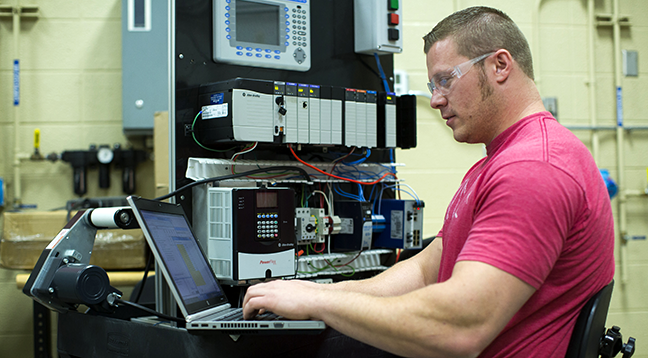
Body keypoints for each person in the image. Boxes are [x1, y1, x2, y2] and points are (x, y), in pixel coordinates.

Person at [242, 6, 615, 358]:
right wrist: (316, 293)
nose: (435, 100)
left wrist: (318, 303)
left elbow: (462, 326)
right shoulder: (500, 161)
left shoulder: (533, 168)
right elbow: (425, 269)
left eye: (445, 80)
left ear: (500, 65)